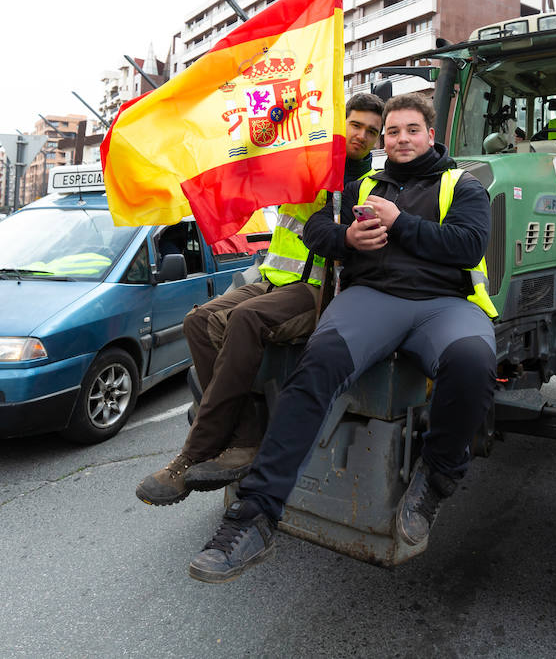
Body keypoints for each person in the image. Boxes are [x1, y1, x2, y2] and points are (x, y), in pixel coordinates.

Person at [186, 92, 497, 583]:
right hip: (373, 298)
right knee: (319, 362)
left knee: (474, 362)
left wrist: (401, 224)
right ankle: (254, 517)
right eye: (392, 132)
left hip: (446, 305)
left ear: (430, 135)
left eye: (411, 129)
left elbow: (468, 245)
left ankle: (436, 477)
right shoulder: (364, 184)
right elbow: (314, 228)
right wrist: (347, 240)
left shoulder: (462, 186)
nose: (400, 139)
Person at [136, 92, 385, 506]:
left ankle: (194, 452)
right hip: (273, 279)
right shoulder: (304, 158)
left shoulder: (362, 183)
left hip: (314, 290)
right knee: (198, 321)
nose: (361, 135)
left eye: (371, 132)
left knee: (245, 320)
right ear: (340, 122)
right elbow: (261, 145)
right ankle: (245, 434)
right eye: (355, 125)